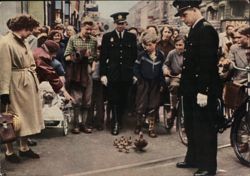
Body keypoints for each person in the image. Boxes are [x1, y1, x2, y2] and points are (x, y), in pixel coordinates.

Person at [173, 1, 222, 176]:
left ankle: (208, 166)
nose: (183, 19)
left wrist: (204, 91)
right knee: (192, 125)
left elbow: (206, 64)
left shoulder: (206, 29)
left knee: (205, 128)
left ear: (195, 10)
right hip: (191, 88)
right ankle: (193, 158)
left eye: (184, 15)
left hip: (202, 89)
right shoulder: (195, 29)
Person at [0, 14, 44, 163]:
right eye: (30, 29)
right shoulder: (5, 42)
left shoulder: (24, 41)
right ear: (22, 28)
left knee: (27, 117)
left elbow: (30, 61)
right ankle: (9, 151)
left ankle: (24, 147)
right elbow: (4, 69)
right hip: (15, 85)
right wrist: (4, 91)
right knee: (11, 119)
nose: (31, 32)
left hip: (27, 84)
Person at [100, 12, 137, 135]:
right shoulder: (107, 37)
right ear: (114, 23)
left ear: (125, 23)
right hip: (113, 74)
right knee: (114, 99)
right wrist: (103, 74)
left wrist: (134, 73)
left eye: (122, 23)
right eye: (118, 23)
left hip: (126, 74)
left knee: (124, 99)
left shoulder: (131, 37)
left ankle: (120, 120)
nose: (120, 26)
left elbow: (134, 57)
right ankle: (115, 123)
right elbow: (103, 57)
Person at [64, 18, 97, 134]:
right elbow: (66, 56)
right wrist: (80, 55)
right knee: (76, 99)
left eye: (90, 29)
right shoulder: (73, 39)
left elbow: (95, 57)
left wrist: (93, 67)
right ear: (81, 27)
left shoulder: (93, 40)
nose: (89, 31)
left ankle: (84, 124)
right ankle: (76, 125)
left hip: (87, 70)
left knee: (87, 100)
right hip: (76, 70)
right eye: (87, 29)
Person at [133, 32, 165, 137]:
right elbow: (136, 69)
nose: (148, 47)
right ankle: (138, 125)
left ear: (155, 43)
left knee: (153, 105)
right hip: (144, 83)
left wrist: (161, 83)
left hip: (155, 83)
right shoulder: (141, 55)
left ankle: (151, 129)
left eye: (150, 44)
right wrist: (139, 80)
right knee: (141, 104)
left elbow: (161, 71)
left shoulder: (160, 55)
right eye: (146, 45)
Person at [162, 36, 185, 127]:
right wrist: (166, 70)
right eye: (177, 45)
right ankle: (173, 108)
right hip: (175, 76)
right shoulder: (172, 53)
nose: (179, 47)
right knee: (174, 86)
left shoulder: (188, 54)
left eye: (181, 45)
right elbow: (165, 64)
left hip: (185, 77)